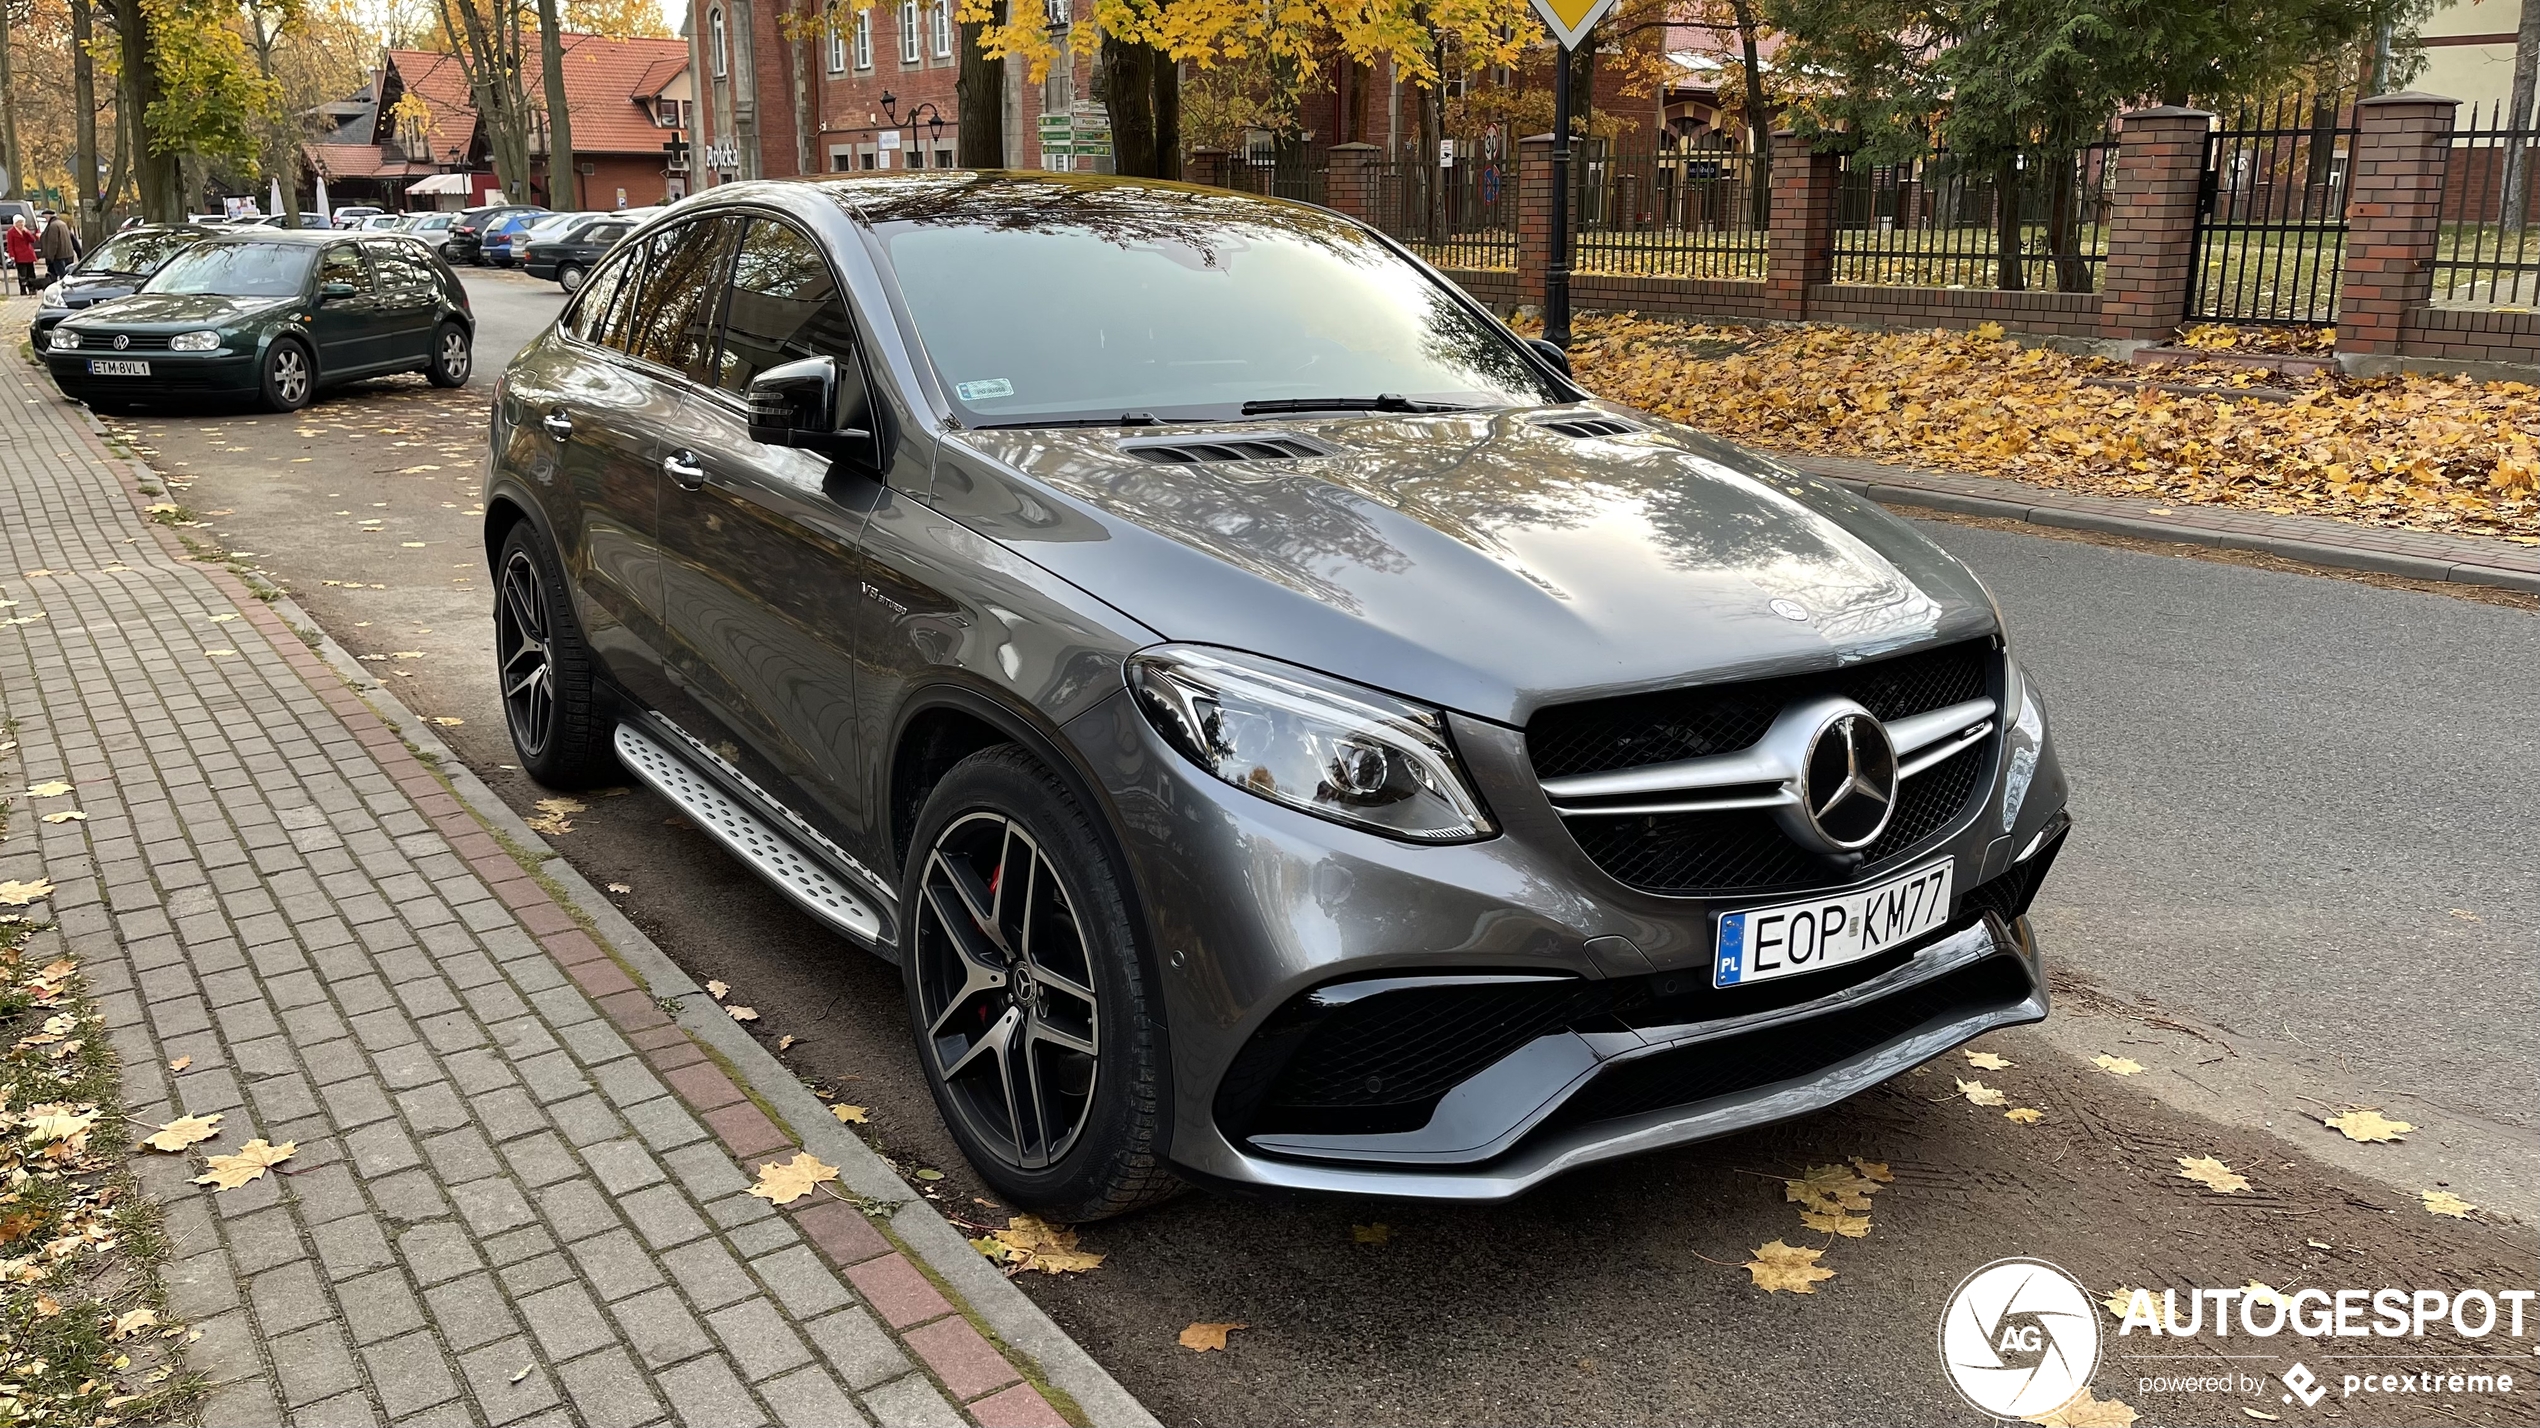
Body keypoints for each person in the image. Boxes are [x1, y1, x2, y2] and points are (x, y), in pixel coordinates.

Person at [38, 212, 80, 284]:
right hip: (68, 254)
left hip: (59, 256)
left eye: (45, 217)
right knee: (67, 274)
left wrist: (50, 257)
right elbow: (73, 239)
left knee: (61, 276)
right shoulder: (62, 224)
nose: (45, 220)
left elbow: (53, 243)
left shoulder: (53, 226)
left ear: (48, 216)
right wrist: (78, 252)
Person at [6, 217, 37, 295]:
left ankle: (32, 289)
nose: (20, 224)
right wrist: (12, 255)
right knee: (22, 275)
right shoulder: (11, 232)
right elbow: (10, 245)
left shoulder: (25, 230)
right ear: (15, 223)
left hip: (28, 254)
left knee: (31, 273)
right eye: (18, 222)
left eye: (22, 222)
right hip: (19, 256)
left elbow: (32, 240)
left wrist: (27, 232)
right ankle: (23, 290)